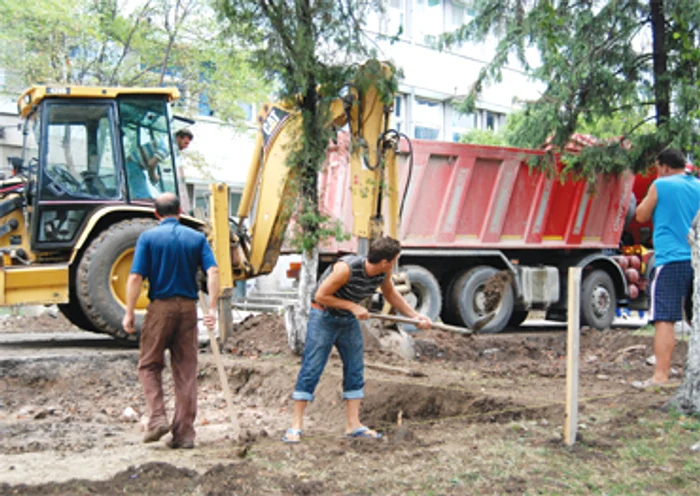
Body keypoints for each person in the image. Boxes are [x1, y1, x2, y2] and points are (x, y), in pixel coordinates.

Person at [283, 236, 431, 443]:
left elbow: (391, 294)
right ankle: (295, 426)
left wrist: (414, 316)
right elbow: (320, 295)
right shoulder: (346, 269)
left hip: (348, 320)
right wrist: (352, 306)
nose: (396, 263)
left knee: (355, 368)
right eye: (395, 259)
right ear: (385, 261)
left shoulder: (383, 272)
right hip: (323, 317)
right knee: (312, 368)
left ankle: (353, 425)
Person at [122, 192, 219, 449]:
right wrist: (213, 308)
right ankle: (184, 434)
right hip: (188, 309)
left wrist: (130, 312)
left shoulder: (149, 238)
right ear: (179, 212)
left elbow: (135, 278)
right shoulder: (196, 238)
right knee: (185, 371)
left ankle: (157, 419)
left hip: (160, 308)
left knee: (149, 365)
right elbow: (214, 271)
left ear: (156, 214)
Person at [634, 148, 700, 388]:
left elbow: (641, 215)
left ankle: (660, 377)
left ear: (663, 166)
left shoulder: (661, 185)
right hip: (696, 260)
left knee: (665, 318)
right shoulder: (698, 186)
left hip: (670, 260)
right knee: (697, 318)